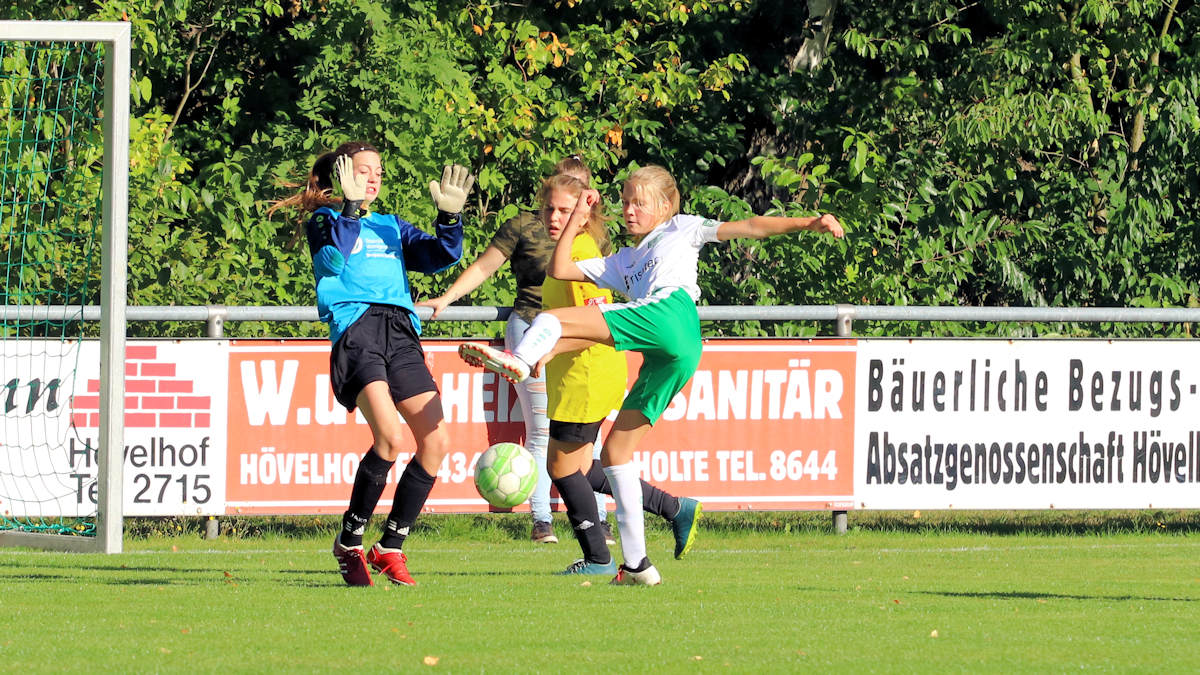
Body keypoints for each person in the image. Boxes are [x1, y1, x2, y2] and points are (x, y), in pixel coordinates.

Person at [459, 164, 845, 585]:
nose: (628, 210)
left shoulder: (682, 227)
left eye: (638, 202)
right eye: (624, 202)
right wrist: (575, 218)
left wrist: (809, 222)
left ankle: (519, 360)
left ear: (664, 205)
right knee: (615, 456)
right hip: (675, 354)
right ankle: (638, 566)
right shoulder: (623, 260)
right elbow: (560, 268)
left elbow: (751, 225)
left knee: (551, 320)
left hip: (670, 314)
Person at [272, 141, 474, 586]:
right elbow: (333, 259)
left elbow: (442, 256)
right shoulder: (325, 221)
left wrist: (449, 219)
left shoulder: (390, 225)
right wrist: (347, 205)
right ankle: (349, 541)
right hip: (358, 330)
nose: (374, 178)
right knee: (390, 438)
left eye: (378, 170)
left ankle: (390, 547)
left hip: (401, 332)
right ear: (342, 176)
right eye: (364, 171)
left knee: (436, 442)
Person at [418, 156, 610, 546]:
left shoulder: (593, 239)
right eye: (555, 202)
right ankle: (542, 520)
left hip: (578, 336)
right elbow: (485, 266)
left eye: (578, 195)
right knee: (542, 431)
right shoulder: (524, 225)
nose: (562, 212)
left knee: (590, 434)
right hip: (531, 331)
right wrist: (448, 298)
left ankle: (599, 518)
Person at [525, 172, 702, 576]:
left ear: (585, 216)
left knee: (564, 467)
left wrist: (547, 348)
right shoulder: (580, 251)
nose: (555, 217)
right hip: (574, 375)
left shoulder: (583, 249)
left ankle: (599, 558)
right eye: (549, 208)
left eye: (566, 210)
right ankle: (672, 509)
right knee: (585, 466)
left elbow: (597, 324)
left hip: (586, 376)